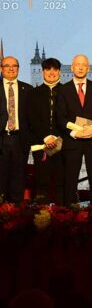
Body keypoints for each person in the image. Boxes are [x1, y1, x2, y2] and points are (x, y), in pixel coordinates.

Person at [56, 54, 92, 205]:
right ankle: (69, 212)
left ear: (88, 68)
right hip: (72, 142)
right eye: (77, 64)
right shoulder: (63, 89)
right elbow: (60, 116)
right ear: (72, 68)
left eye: (83, 64)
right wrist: (74, 132)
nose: (80, 67)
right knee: (70, 179)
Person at [27, 58, 64, 204]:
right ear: (43, 72)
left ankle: (64, 217)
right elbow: (31, 118)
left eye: (55, 69)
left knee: (62, 182)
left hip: (62, 145)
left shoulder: (67, 91)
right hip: (41, 145)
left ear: (59, 72)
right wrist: (46, 137)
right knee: (42, 183)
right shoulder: (33, 93)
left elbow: (69, 118)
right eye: (48, 69)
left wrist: (56, 138)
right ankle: (42, 219)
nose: (51, 73)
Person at [0, 56, 32, 203]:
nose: (11, 68)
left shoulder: (28, 89)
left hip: (20, 140)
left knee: (18, 182)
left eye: (14, 66)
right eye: (7, 66)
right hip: (2, 139)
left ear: (18, 69)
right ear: (1, 69)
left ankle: (17, 218)